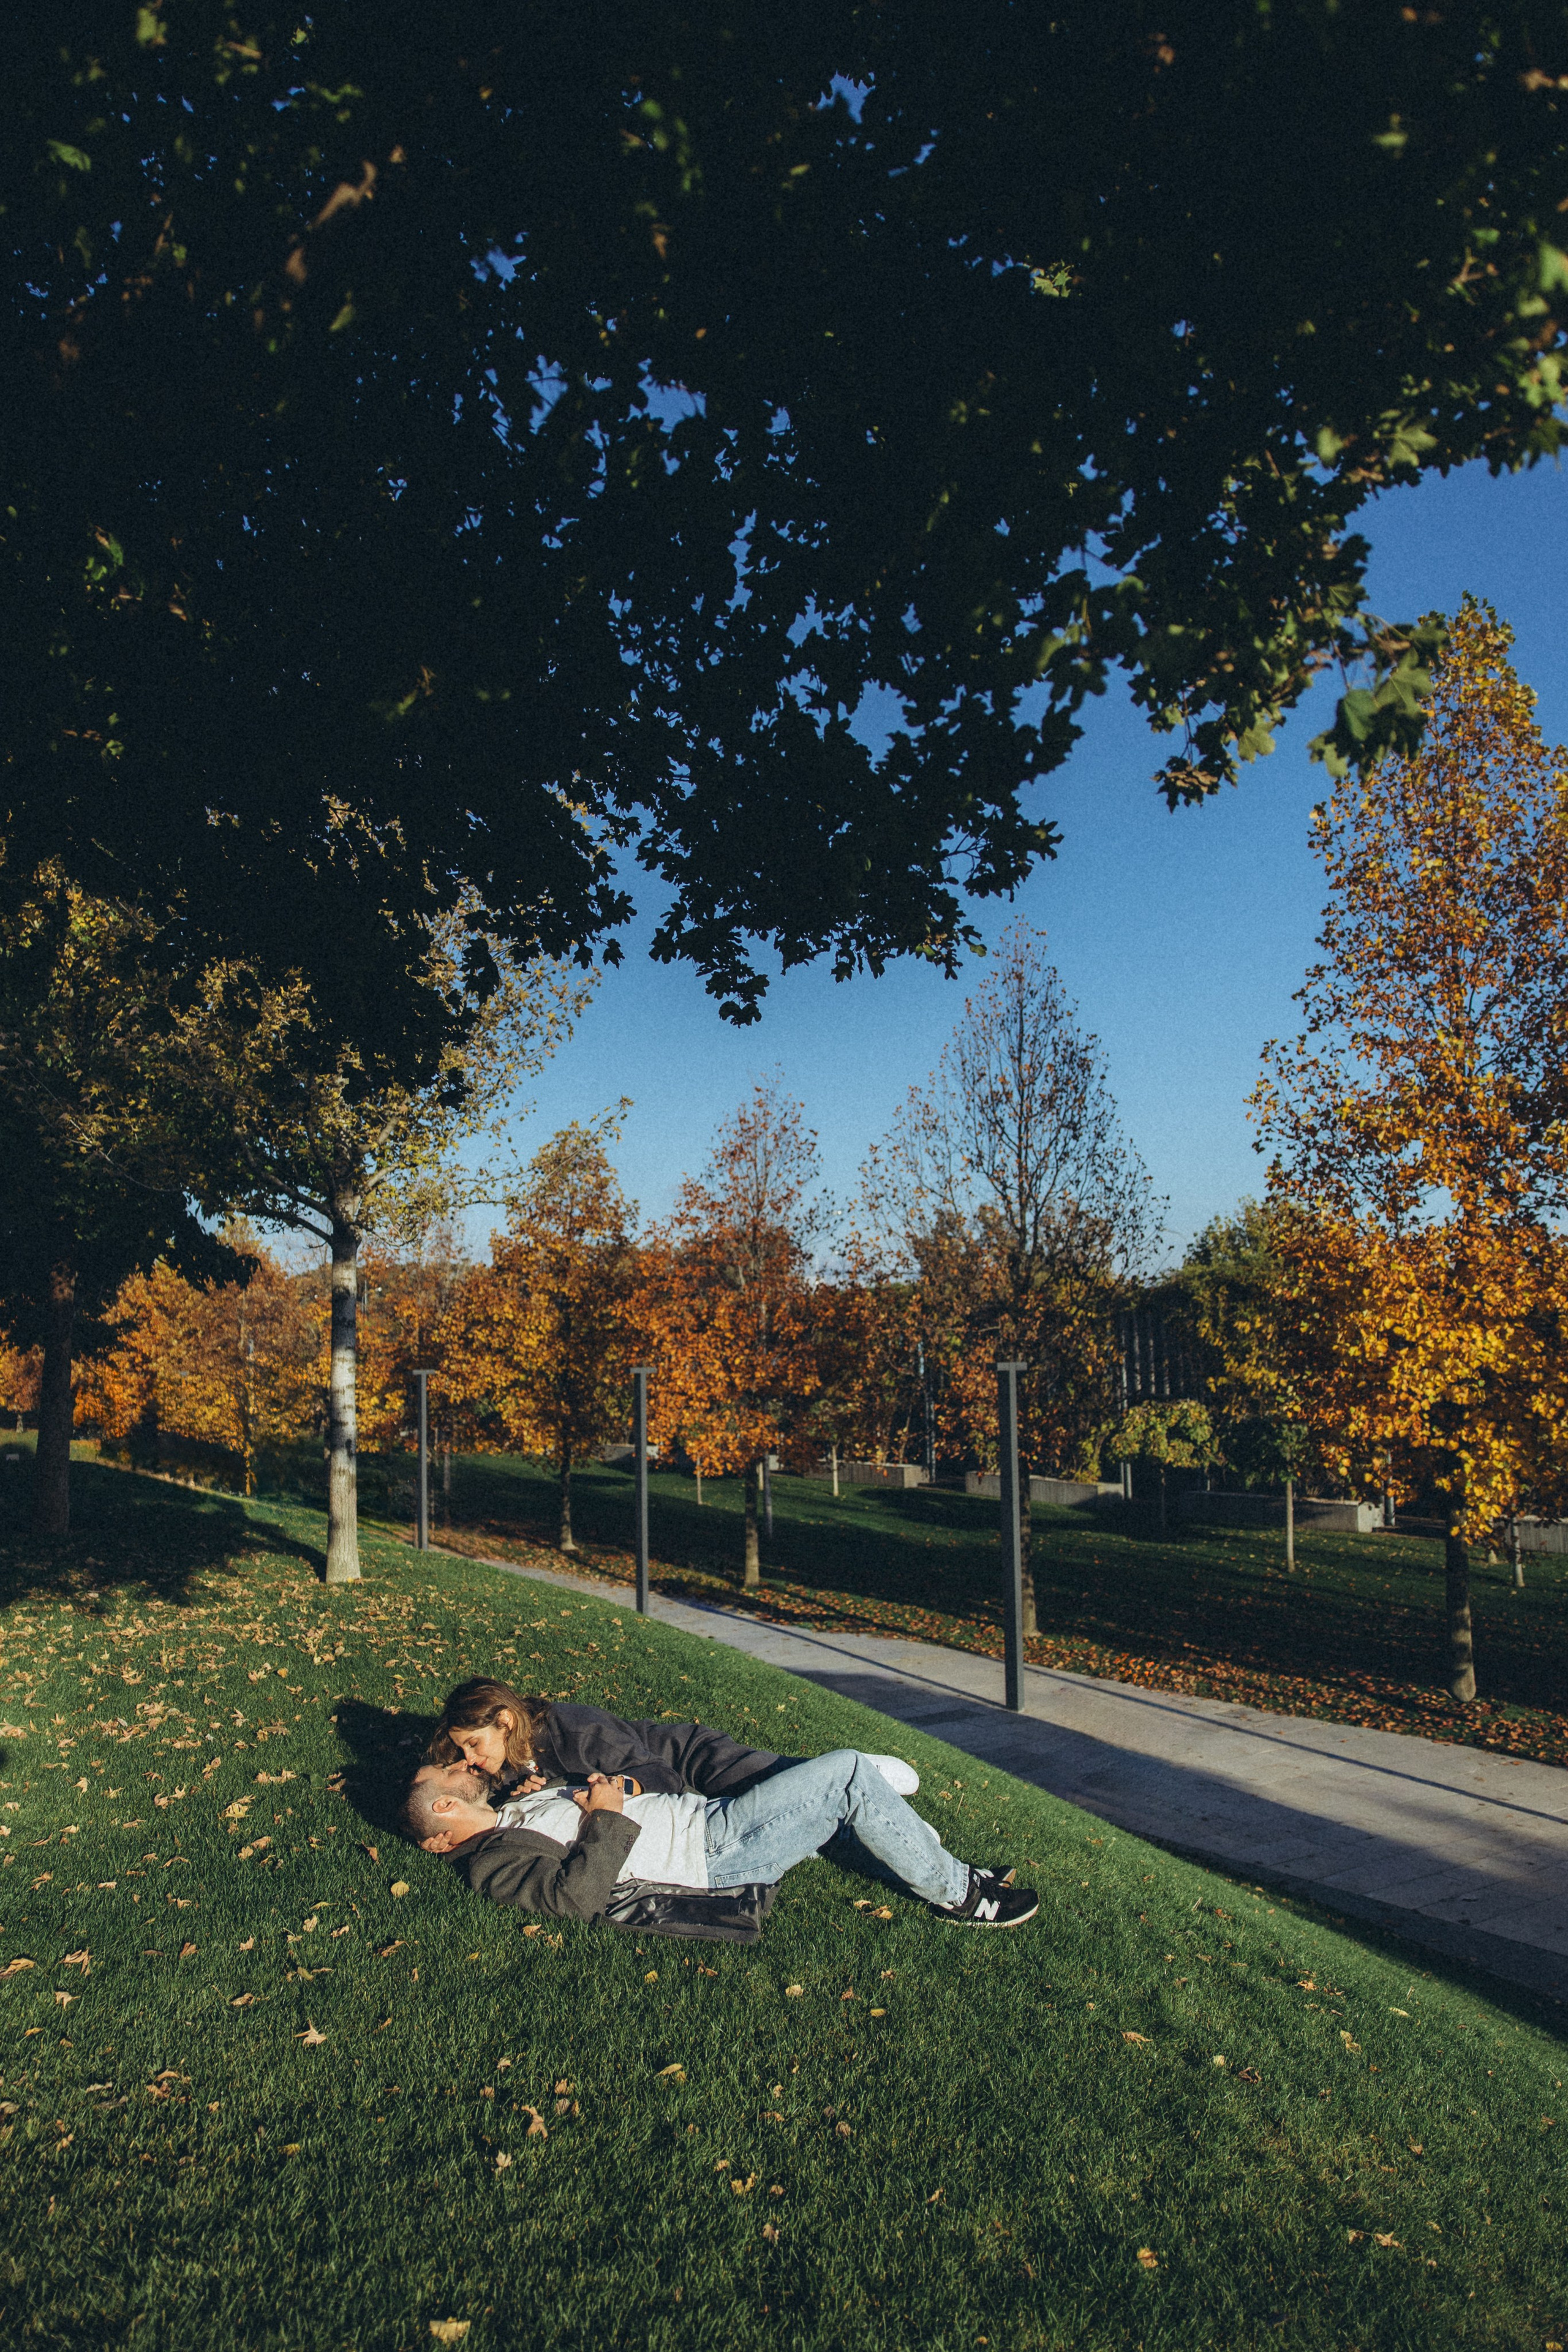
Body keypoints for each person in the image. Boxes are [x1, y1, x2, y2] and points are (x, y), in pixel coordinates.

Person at [404, 1736, 1040, 1934]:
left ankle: (919, 1841)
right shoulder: (490, 1863)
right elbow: (576, 1898)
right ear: (442, 1819)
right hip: (713, 1855)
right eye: (450, 1773)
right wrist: (603, 1816)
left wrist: (606, 1794)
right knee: (845, 1773)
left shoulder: (512, 1814)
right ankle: (963, 1894)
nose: (464, 1767)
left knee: (840, 1790)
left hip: (707, 1818)